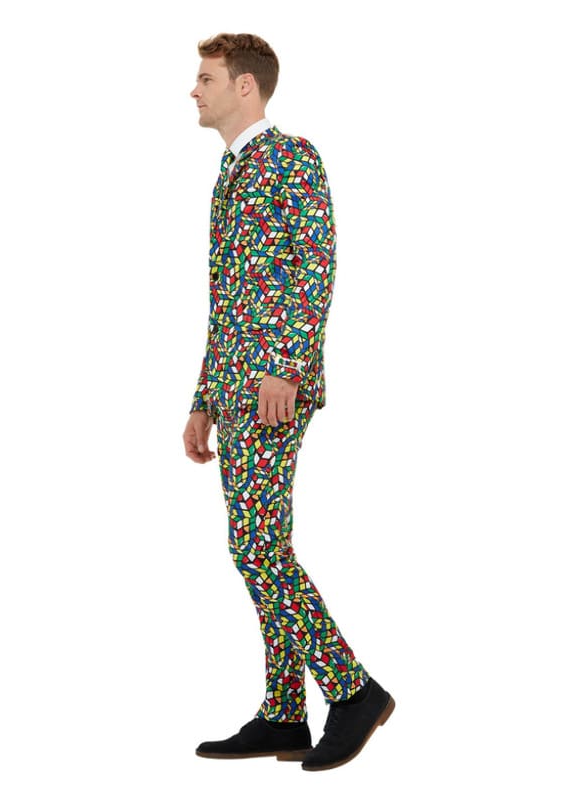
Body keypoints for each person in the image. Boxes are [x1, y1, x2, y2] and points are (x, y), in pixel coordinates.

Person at [182, 32, 395, 771]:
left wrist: (286, 367)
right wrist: (203, 397)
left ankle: (353, 690)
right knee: (263, 546)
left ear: (245, 85)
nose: (193, 90)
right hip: (235, 389)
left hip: (274, 389)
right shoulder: (230, 172)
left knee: (256, 547)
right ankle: (282, 713)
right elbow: (228, 298)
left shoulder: (290, 156)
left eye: (206, 78)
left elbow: (316, 263)